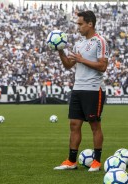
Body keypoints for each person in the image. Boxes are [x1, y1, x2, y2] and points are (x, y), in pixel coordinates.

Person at [54, 10, 109, 172]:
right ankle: (71, 161)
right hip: (78, 88)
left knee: (94, 125)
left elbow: (103, 66)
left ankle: (97, 162)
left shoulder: (100, 41)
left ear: (90, 24)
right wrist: (60, 50)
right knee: (74, 124)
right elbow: (68, 65)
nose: (78, 27)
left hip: (94, 89)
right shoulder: (79, 43)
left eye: (80, 24)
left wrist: (82, 60)